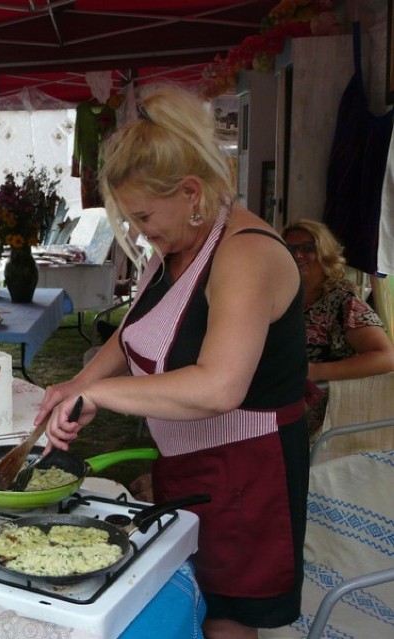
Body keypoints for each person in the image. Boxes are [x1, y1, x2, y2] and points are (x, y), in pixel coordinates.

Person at [36, 85, 309, 639]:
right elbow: (137, 332)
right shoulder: (179, 243)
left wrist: (104, 396)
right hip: (191, 456)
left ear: (190, 192)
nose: (138, 231)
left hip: (247, 468)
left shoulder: (247, 254)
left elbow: (218, 388)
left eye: (142, 215)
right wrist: (77, 383)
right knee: (192, 595)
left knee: (228, 615)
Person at [282, 219, 394, 434]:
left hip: (319, 420)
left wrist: (316, 372)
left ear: (325, 253)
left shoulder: (344, 303)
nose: (297, 255)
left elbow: (387, 357)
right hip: (277, 400)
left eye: (308, 248)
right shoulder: (282, 299)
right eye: (290, 248)